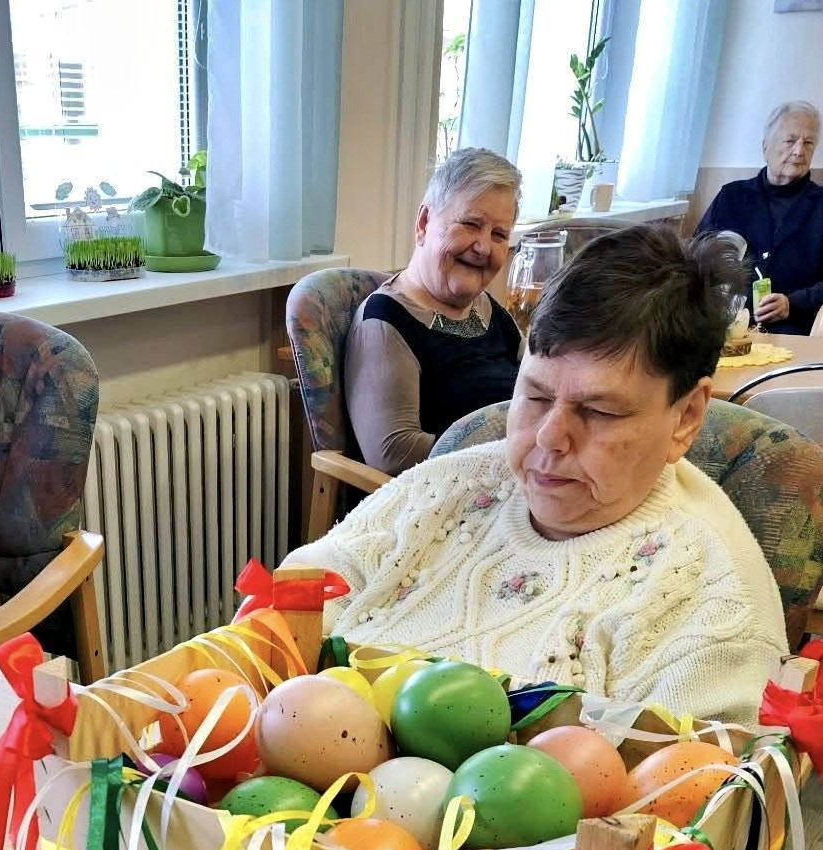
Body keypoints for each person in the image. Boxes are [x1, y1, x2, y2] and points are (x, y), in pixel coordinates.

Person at [285, 225, 786, 726]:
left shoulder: (715, 609)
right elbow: (308, 581)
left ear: (686, 418)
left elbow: (693, 767)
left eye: (599, 411)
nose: (549, 437)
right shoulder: (455, 483)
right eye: (537, 396)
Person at [344, 148, 522, 475]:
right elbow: (393, 454)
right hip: (443, 495)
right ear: (424, 222)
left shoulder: (491, 311)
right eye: (471, 224)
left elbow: (540, 388)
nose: (483, 247)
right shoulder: (385, 322)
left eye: (499, 234)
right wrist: (516, 447)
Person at [696, 101, 823, 335]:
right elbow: (696, 258)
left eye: (808, 143)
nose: (799, 151)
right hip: (723, 324)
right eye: (790, 141)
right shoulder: (731, 197)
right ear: (765, 146)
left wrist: (793, 302)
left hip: (792, 330)